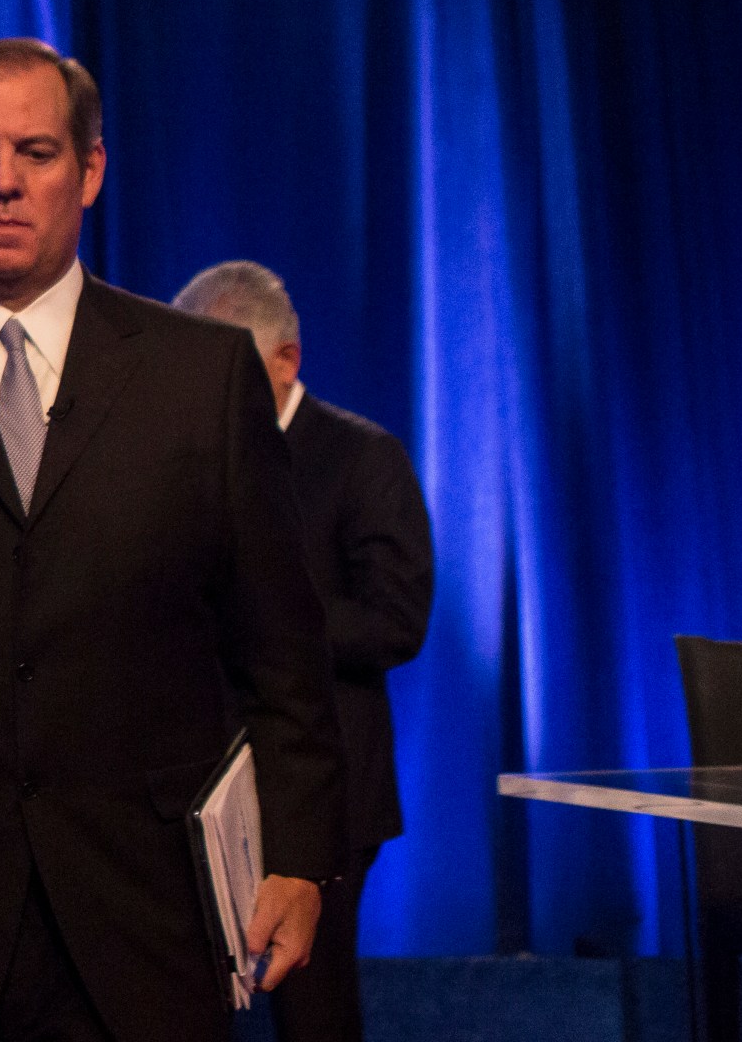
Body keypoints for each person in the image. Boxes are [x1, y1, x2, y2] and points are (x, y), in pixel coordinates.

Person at [0, 38, 346, 1042]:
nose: (2, 182)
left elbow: (283, 649)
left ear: (89, 172)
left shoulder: (201, 376)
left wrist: (299, 859)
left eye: (36, 153)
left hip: (149, 915)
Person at [172, 261, 434, 1042]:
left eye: (226, 366)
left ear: (285, 360)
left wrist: (264, 612)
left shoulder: (362, 457)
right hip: (192, 773)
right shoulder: (177, 457)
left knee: (314, 1010)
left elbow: (396, 622)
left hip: (329, 784)